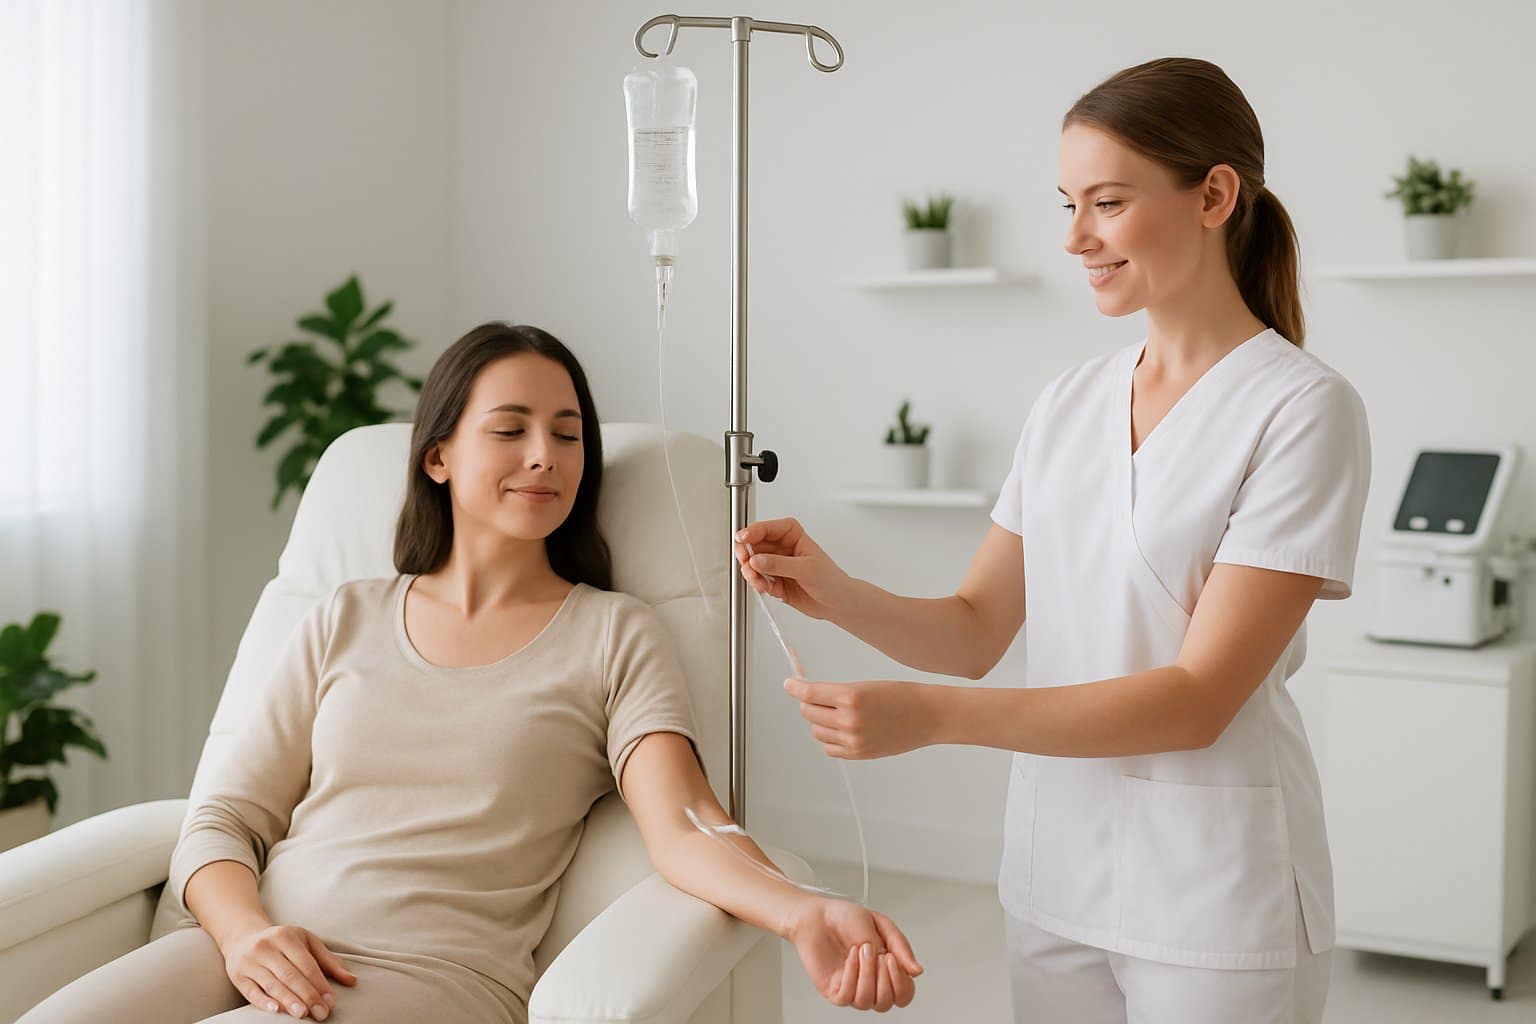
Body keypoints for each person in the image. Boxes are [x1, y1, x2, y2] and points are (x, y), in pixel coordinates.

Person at [21, 323, 921, 1023]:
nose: (547, 456)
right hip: (252, 944)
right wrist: (246, 934)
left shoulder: (613, 634)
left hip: (426, 978)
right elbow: (224, 818)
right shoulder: (345, 616)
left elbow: (689, 826)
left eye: (568, 436)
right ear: (439, 456)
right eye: (513, 429)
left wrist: (803, 909)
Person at [734, 58, 1370, 1024]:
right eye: (1069, 203)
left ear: (1215, 195)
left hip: (1215, 896)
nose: (1076, 237)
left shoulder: (1301, 409)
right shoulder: (1071, 401)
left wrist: (935, 719)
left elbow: (1197, 701)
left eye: (1107, 203)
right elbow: (976, 627)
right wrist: (831, 587)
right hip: (1056, 875)